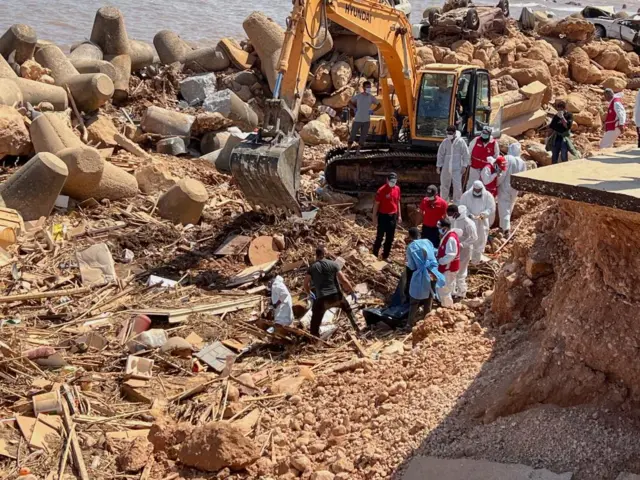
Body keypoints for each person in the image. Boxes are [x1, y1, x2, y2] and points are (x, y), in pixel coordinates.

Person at [304, 246, 359, 337]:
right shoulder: (333, 264)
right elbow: (344, 280)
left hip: (322, 300)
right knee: (347, 309)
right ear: (324, 254)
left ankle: (314, 338)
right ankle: (356, 327)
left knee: (315, 318)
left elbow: (306, 284)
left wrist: (309, 293)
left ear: (316, 255)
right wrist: (352, 291)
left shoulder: (312, 268)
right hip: (336, 296)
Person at [405, 227, 444, 326]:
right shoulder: (427, 241)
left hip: (421, 274)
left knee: (415, 299)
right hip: (433, 272)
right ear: (419, 234)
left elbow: (412, 266)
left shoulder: (411, 247)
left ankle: (409, 324)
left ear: (410, 236)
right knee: (429, 297)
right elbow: (435, 252)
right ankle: (427, 321)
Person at [460, 181, 496, 264]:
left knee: (480, 240)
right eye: (475, 190)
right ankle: (467, 260)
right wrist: (469, 214)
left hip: (482, 222)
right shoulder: (466, 195)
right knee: (469, 239)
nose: (477, 191)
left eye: (478, 190)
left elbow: (491, 208)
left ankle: (476, 261)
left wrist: (483, 214)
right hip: (470, 221)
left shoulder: (488, 196)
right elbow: (462, 206)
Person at [446, 204, 477, 299]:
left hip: (465, 250)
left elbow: (474, 238)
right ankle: (453, 291)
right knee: (453, 270)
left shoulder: (468, 223)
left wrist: (462, 244)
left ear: (456, 213)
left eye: (450, 214)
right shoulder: (454, 220)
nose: (449, 216)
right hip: (455, 249)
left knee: (461, 272)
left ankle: (462, 292)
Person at [497, 142, 527, 235]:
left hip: (505, 186)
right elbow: (523, 176)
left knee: (503, 207)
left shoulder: (508, 158)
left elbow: (503, 173)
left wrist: (497, 183)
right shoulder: (522, 162)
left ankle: (506, 229)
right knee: (510, 206)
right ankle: (502, 227)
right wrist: (521, 189)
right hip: (515, 188)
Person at [437, 125, 470, 203]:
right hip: (446, 167)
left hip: (457, 167)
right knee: (444, 185)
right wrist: (438, 166)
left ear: (455, 133)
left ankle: (457, 203)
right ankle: (444, 202)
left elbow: (466, 154)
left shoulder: (460, 141)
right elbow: (440, 154)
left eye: (451, 133)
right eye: (448, 133)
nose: (449, 135)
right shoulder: (445, 141)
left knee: (457, 186)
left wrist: (464, 165)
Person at [373, 172, 401, 260]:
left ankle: (385, 255)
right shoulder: (381, 190)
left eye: (394, 181)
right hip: (383, 216)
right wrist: (374, 217)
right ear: (387, 180)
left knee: (390, 238)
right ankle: (374, 254)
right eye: (391, 181)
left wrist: (399, 215)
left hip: (393, 216)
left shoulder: (397, 189)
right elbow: (376, 204)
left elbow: (398, 202)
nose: (393, 183)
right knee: (380, 236)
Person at [348, 81, 380, 154]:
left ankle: (358, 151)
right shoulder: (358, 96)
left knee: (363, 137)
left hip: (366, 120)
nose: (369, 89)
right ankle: (348, 151)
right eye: (367, 87)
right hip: (358, 119)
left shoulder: (371, 97)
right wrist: (354, 108)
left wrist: (373, 110)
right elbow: (349, 102)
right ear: (363, 88)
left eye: (369, 87)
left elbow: (379, 105)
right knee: (352, 136)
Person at [436, 218, 460, 308]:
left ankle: (446, 307)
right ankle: (445, 303)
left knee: (445, 287)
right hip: (448, 267)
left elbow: (451, 254)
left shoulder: (450, 238)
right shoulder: (448, 235)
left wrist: (440, 261)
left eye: (440, 228)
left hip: (448, 267)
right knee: (448, 285)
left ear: (445, 228)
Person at [467, 125, 500, 189]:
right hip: (475, 165)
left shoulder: (494, 143)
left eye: (486, 134)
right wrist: (468, 161)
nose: (483, 135)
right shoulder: (476, 139)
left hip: (485, 167)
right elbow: (469, 150)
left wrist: (493, 165)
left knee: (484, 184)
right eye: (483, 133)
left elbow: (496, 155)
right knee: (472, 183)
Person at [549, 100, 574, 164]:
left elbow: (567, 126)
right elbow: (552, 126)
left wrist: (562, 117)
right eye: (558, 109)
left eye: (561, 109)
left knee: (564, 155)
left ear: (564, 108)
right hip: (556, 137)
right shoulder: (556, 116)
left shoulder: (569, 115)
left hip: (564, 138)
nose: (559, 111)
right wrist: (548, 137)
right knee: (554, 155)